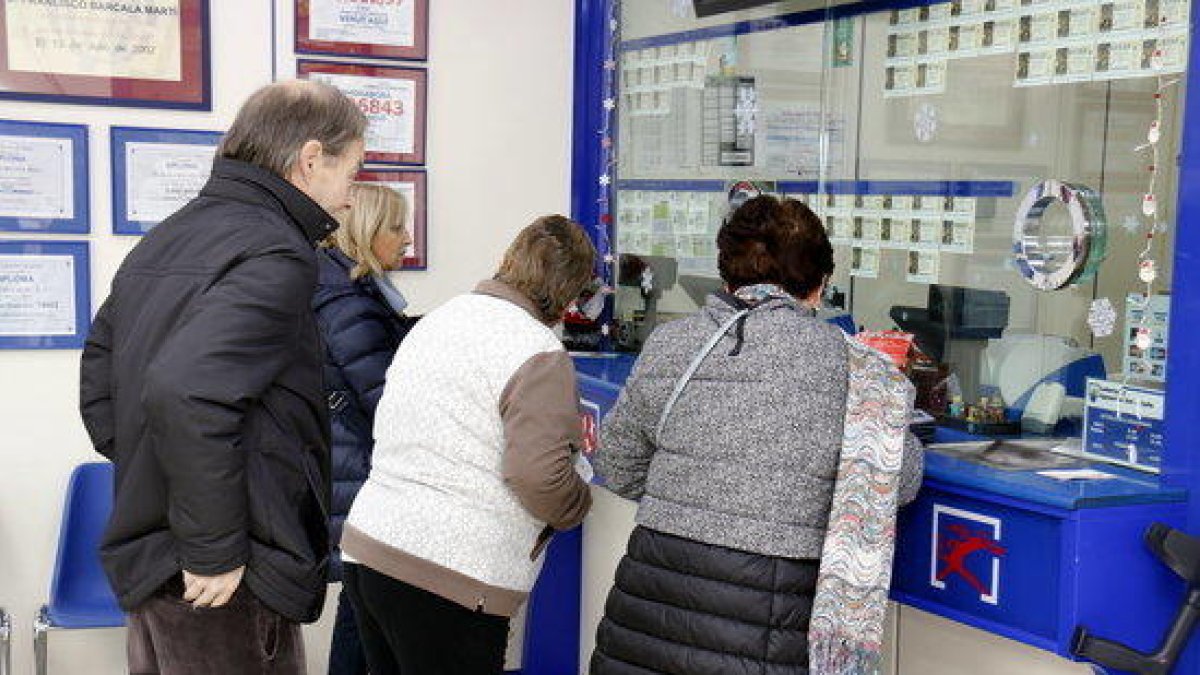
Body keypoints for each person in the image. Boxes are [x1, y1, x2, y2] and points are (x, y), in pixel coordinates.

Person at [79, 80, 367, 675]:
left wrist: (154, 469)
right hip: (226, 572)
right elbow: (187, 389)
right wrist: (212, 548)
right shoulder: (278, 251)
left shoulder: (170, 233)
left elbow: (102, 382)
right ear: (311, 159)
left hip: (159, 558)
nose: (349, 196)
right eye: (353, 172)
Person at [590, 195, 925, 675]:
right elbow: (895, 479)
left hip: (650, 601)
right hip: (773, 618)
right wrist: (894, 395)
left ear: (726, 274)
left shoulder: (671, 344)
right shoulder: (858, 368)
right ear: (819, 285)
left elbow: (617, 464)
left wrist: (696, 500)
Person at [340, 215, 596, 674]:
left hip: (371, 547)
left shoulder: (441, 317)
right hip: (450, 574)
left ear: (509, 259)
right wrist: (578, 500)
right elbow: (538, 476)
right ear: (570, 293)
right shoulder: (538, 351)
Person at [313, 183, 418, 675]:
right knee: (363, 611)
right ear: (367, 231)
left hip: (349, 468)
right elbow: (386, 401)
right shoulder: (350, 303)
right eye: (396, 227)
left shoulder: (351, 292)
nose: (406, 238)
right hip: (359, 474)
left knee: (361, 607)